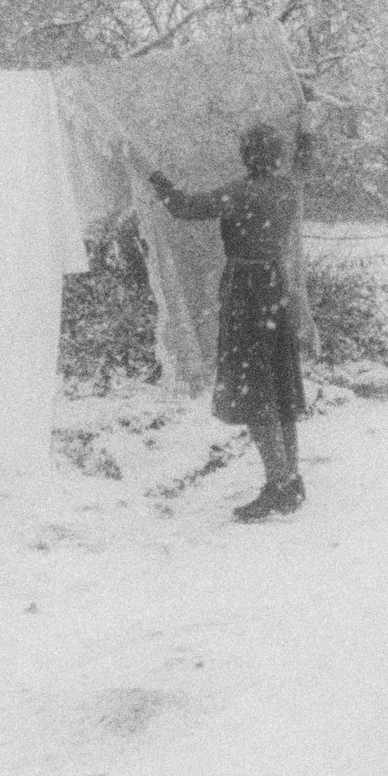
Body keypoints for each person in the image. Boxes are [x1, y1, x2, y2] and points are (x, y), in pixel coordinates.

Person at [126, 123, 310, 519]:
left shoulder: (243, 192)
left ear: (247, 155)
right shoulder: (287, 189)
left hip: (247, 291)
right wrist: (306, 127)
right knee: (278, 387)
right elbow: (304, 164)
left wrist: (149, 169)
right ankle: (290, 480)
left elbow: (183, 207)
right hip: (275, 288)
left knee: (257, 391)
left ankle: (278, 486)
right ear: (276, 155)